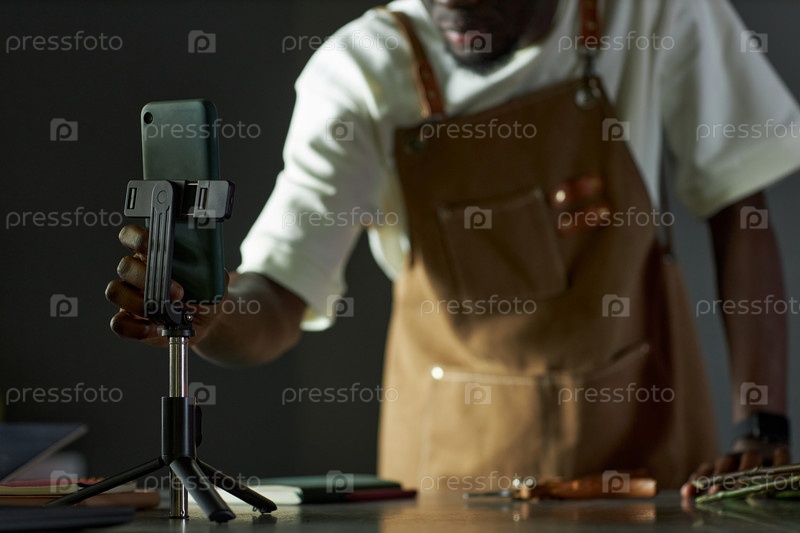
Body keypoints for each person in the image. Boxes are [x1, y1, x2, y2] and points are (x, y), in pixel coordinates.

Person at [106, 0, 798, 496]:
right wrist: (210, 313)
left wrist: (762, 425)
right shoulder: (363, 69)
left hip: (648, 462)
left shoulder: (656, 15)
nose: (452, 8)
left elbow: (741, 207)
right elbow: (280, 294)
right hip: (451, 485)